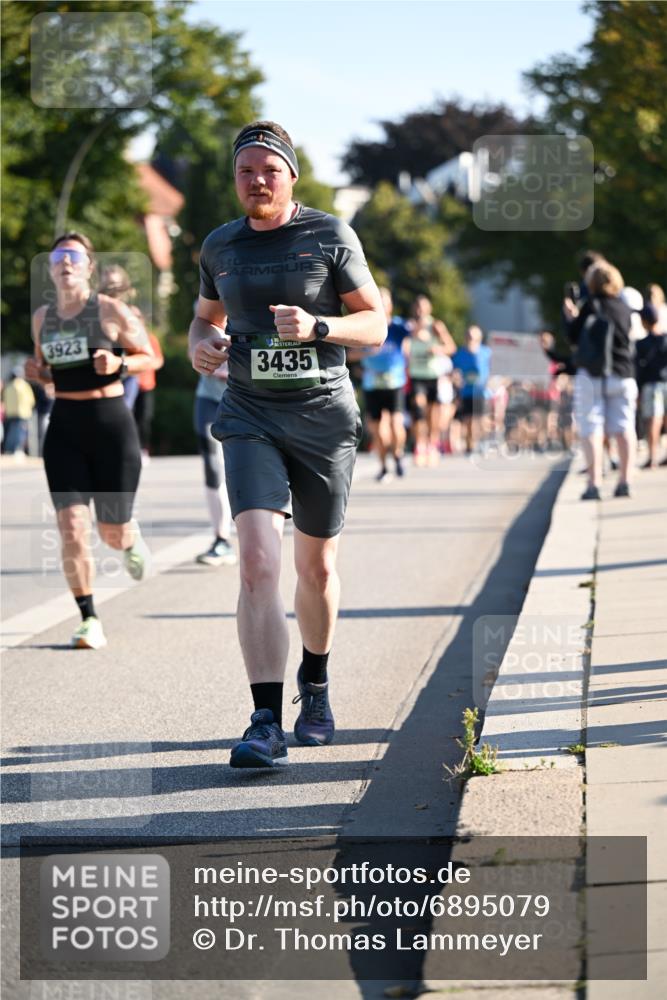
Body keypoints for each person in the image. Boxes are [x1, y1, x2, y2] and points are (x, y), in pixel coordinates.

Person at [189, 120, 385, 768]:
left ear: (291, 176)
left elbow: (375, 324)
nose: (257, 181)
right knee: (255, 562)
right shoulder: (220, 245)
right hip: (249, 414)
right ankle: (265, 721)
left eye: (269, 170)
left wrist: (320, 325)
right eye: (245, 171)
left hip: (323, 416)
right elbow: (204, 318)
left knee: (317, 569)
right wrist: (200, 346)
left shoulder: (329, 235)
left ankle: (316, 682)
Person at [25, 233, 154, 649]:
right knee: (72, 528)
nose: (65, 262)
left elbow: (151, 357)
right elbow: (48, 369)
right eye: (58, 256)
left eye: (73, 256)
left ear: (88, 267)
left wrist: (119, 363)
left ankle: (128, 538)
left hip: (111, 426)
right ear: (50, 269)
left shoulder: (110, 310)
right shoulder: (42, 318)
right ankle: (89, 618)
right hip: (64, 427)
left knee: (111, 532)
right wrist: (38, 373)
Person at [564, 261, 637, 500]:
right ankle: (625, 481)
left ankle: (594, 483)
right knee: (624, 428)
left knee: (591, 429)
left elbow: (573, 337)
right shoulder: (624, 308)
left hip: (592, 374)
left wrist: (570, 317)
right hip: (622, 372)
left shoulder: (590, 306)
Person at [349, 286, 409, 482]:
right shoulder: (366, 326)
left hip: (394, 382)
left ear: (390, 305)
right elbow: (349, 354)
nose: (382, 306)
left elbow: (417, 333)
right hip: (372, 384)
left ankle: (398, 453)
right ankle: (384, 467)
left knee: (396, 425)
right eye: (379, 302)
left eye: (385, 302)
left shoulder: (398, 326)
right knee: (378, 431)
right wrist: (367, 352)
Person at [192, 317, 237, 567]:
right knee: (213, 465)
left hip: (247, 398)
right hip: (209, 398)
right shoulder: (206, 306)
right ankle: (221, 539)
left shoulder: (262, 302)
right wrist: (201, 357)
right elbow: (193, 347)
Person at [403, 295, 456, 466]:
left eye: (423, 307)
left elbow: (451, 347)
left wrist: (437, 349)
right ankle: (420, 445)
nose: (420, 310)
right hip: (416, 375)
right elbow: (403, 346)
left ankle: (432, 445)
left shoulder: (436, 326)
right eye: (417, 307)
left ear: (429, 309)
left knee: (432, 415)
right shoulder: (409, 326)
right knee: (418, 410)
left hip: (432, 374)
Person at [451, 325, 492, 454]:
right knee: (469, 420)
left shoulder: (487, 352)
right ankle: (470, 446)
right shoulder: (460, 354)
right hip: (466, 391)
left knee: (481, 419)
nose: (471, 339)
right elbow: (454, 370)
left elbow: (494, 369)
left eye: (474, 337)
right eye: (469, 336)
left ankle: (482, 442)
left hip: (482, 392)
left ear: (479, 338)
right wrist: (456, 380)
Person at [636, 303, 667, 468]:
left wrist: (638, 390)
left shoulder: (641, 344)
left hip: (651, 385)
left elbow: (639, 369)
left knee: (653, 421)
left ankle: (652, 457)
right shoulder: (665, 339)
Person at [2, 366, 35, 457]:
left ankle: (9, 449)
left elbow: (5, 400)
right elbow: (31, 400)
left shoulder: (8, 386)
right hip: (22, 413)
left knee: (11, 432)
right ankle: (15, 450)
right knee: (19, 432)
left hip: (10, 413)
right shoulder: (23, 385)